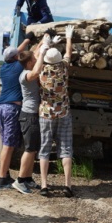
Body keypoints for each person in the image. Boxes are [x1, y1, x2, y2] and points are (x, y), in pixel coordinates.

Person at [0, 32, 37, 190]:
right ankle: (1, 179)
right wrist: (43, 42)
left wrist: (26, 39)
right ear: (16, 57)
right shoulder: (19, 66)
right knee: (8, 145)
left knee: (6, 142)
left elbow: (16, 51)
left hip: (1, 107)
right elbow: (26, 54)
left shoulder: (5, 66)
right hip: (12, 109)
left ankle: (4, 175)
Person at [38, 25, 74, 197]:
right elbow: (68, 53)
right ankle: (67, 185)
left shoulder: (42, 70)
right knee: (66, 148)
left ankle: (44, 185)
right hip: (64, 113)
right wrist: (68, 37)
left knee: (44, 148)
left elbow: (37, 55)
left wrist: (46, 44)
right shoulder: (64, 68)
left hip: (46, 113)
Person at [12, 39, 50, 194]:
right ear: (28, 64)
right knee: (29, 149)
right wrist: (43, 53)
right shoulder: (26, 75)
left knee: (33, 149)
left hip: (32, 115)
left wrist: (43, 42)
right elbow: (35, 72)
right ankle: (20, 180)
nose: (36, 61)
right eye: (33, 60)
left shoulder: (27, 67)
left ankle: (27, 178)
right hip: (28, 116)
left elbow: (34, 54)